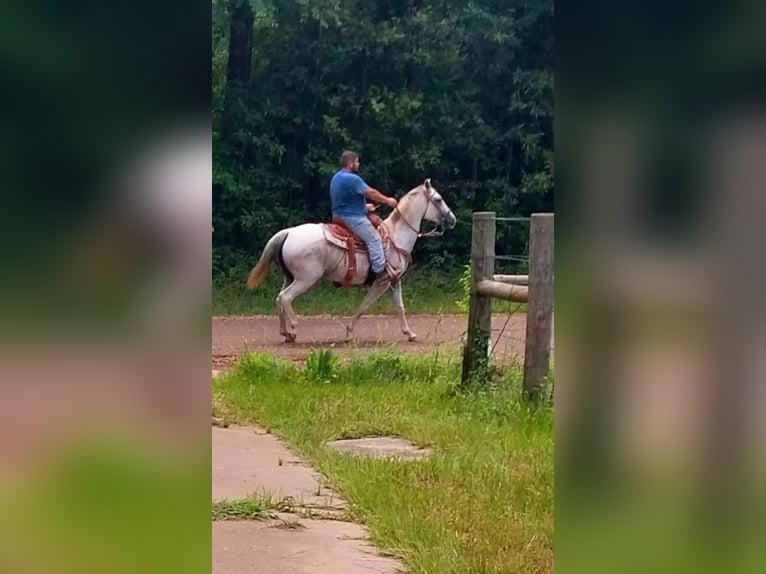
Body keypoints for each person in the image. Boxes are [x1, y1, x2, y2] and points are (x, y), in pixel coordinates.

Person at [329, 150, 400, 282]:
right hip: (352, 218)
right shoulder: (353, 179)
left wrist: (364, 207)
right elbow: (370, 192)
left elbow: (344, 201)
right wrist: (388, 200)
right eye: (356, 161)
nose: (358, 164)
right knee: (374, 239)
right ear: (350, 163)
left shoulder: (336, 178)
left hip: (338, 216)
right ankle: (380, 271)